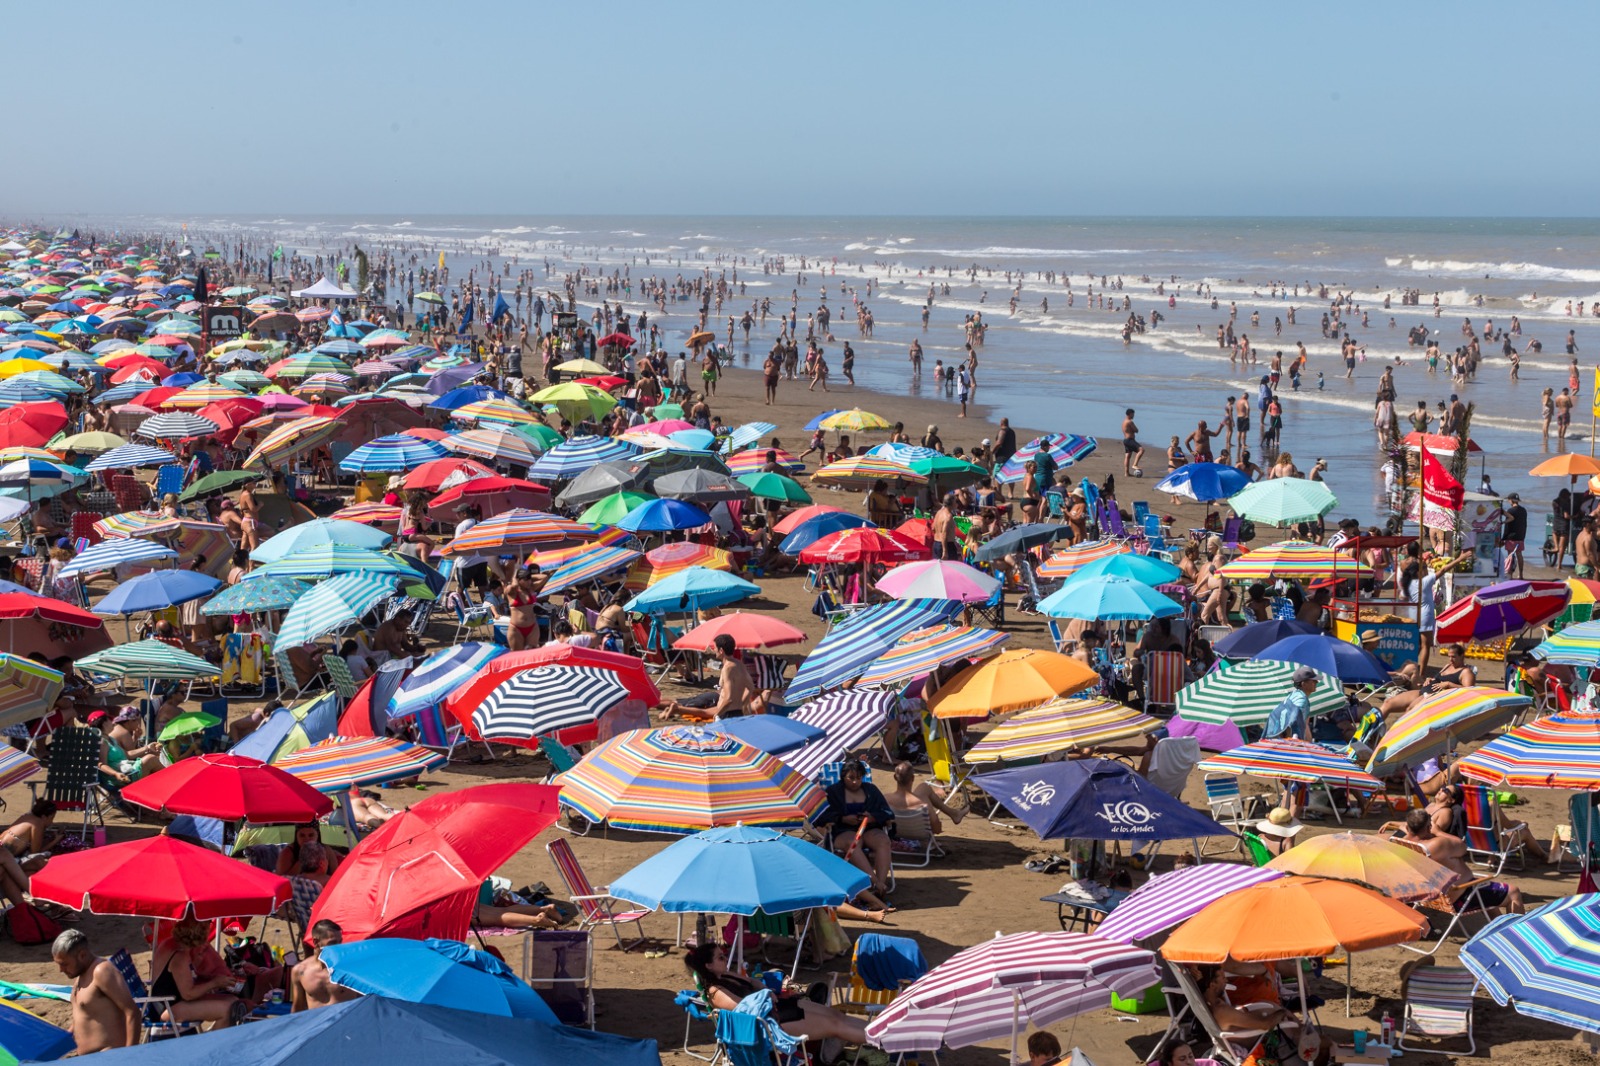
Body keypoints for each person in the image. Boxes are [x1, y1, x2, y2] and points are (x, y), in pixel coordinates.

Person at [683, 942, 868, 1054]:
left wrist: (765, 990)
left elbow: (753, 982)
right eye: (720, 957)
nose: (725, 958)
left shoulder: (726, 976)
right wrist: (764, 995)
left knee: (836, 1015)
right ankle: (885, 1040)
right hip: (771, 1022)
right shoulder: (716, 992)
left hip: (778, 1007)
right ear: (708, 965)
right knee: (835, 1027)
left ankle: (880, 1032)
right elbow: (745, 1010)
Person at [1401, 808, 1524, 914]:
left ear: (1408, 827)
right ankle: (1517, 936)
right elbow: (1462, 847)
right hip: (1457, 897)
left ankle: (1495, 930)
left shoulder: (1403, 842)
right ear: (1429, 827)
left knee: (1487, 896)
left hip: (1427, 895)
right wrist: (1438, 832)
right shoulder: (1436, 844)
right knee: (1513, 892)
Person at [816, 760, 896, 900]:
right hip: (843, 830)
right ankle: (874, 882)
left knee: (884, 841)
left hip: (869, 828)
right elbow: (822, 815)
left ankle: (881, 884)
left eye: (859, 778)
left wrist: (872, 818)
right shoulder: (833, 792)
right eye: (851, 778)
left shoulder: (871, 790)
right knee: (852, 843)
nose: (855, 782)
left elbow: (886, 812)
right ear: (843, 776)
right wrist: (842, 818)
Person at [150, 918, 250, 1029]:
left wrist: (210, 978)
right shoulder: (180, 956)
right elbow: (188, 994)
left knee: (233, 1000)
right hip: (167, 1008)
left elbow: (179, 981)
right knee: (228, 1009)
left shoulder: (174, 943)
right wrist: (214, 983)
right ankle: (213, 1044)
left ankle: (213, 1038)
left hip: (170, 1002)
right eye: (208, 924)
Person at [53, 929, 140, 1053]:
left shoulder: (102, 972)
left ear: (82, 955)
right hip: (88, 1059)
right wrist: (65, 1037)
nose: (61, 970)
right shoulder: (80, 973)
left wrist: (129, 1054)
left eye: (64, 964)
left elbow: (132, 1012)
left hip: (108, 1057)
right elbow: (83, 1014)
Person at [662, 634, 753, 720]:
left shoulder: (727, 668)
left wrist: (717, 714)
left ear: (721, 650)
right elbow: (750, 687)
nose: (714, 650)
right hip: (737, 712)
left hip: (726, 713)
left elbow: (728, 698)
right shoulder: (740, 664)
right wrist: (741, 704)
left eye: (715, 647)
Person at [290, 920, 360, 1011]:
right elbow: (297, 1007)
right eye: (333, 943)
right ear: (316, 942)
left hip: (345, 1023)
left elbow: (366, 1002)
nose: (338, 947)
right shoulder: (300, 971)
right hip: (317, 1024)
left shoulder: (351, 968)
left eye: (340, 942)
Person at [884, 761, 965, 834]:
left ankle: (954, 814)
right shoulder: (922, 804)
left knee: (924, 787)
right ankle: (954, 814)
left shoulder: (885, 799)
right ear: (913, 778)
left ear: (895, 777)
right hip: (917, 837)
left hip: (896, 838)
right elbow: (937, 830)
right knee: (924, 788)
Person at [275, 822, 342, 877]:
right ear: (296, 836)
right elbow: (280, 880)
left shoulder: (326, 851)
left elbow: (336, 877)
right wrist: (302, 860)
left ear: (317, 835)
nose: (306, 840)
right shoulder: (288, 853)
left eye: (311, 835)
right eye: (302, 835)